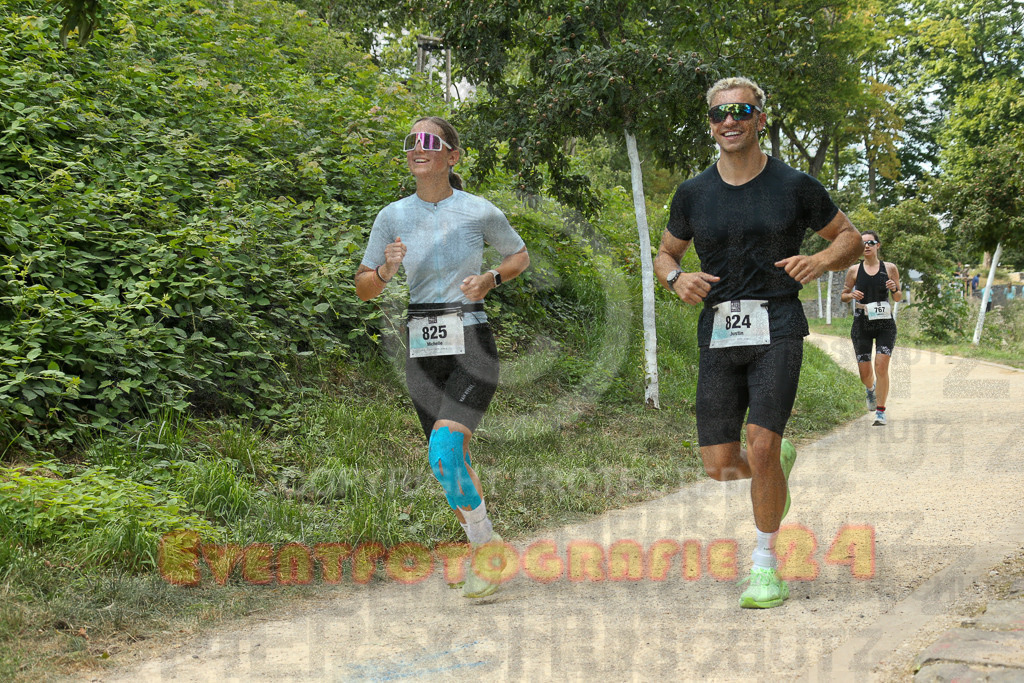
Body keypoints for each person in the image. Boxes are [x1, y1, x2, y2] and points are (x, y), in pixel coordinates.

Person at [654, 77, 861, 609]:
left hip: (779, 327)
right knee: (721, 464)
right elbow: (666, 254)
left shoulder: (795, 186)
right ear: (710, 124)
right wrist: (678, 279)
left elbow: (850, 238)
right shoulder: (693, 193)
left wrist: (819, 262)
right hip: (720, 332)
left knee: (760, 445)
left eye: (741, 111)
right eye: (719, 114)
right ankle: (773, 464)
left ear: (760, 119)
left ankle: (766, 567)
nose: (729, 121)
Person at [355, 116, 530, 599]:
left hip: (471, 342)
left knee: (444, 451)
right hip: (422, 348)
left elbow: (519, 256)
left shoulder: (478, 211)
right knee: (449, 463)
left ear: (452, 156)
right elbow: (364, 288)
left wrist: (491, 279)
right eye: (411, 140)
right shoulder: (391, 216)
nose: (418, 147)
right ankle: (486, 552)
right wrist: (387, 269)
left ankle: (486, 548)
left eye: (429, 141)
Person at [841, 231, 902, 426]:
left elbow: (899, 297)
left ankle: (881, 412)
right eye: (863, 243)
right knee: (865, 373)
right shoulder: (854, 270)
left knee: (881, 366)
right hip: (862, 322)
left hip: (884, 322)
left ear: (878, 245)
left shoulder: (890, 268)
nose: (866, 246)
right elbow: (843, 295)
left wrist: (894, 289)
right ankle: (870, 390)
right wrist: (850, 296)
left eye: (871, 242)